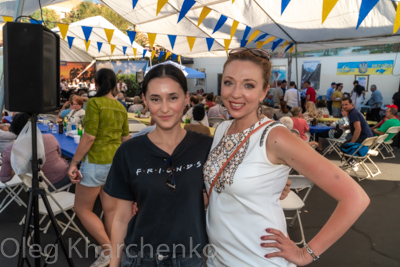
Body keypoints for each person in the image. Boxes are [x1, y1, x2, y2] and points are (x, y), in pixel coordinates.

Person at [203, 47, 369, 266]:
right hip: (218, 257)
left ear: (264, 92)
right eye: (228, 82)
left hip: (258, 259)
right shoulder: (222, 129)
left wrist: (306, 253)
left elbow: (355, 198)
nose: (235, 93)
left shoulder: (275, 136)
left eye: (249, 85)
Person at [105, 64, 214, 266]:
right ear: (145, 101)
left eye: (173, 97)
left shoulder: (206, 147)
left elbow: (229, 189)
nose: (164, 108)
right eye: (155, 99)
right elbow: (120, 217)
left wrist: (275, 186)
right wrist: (114, 263)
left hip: (189, 258)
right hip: (140, 258)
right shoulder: (129, 152)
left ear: (186, 98)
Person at [67, 68, 130, 267]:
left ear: (96, 83)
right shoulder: (121, 106)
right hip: (115, 164)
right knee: (110, 211)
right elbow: (125, 139)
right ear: (114, 84)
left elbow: (89, 137)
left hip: (95, 163)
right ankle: (114, 252)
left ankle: (107, 249)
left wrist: (74, 162)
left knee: (82, 208)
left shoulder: (95, 103)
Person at [0, 113, 71, 190]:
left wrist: (16, 168)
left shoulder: (10, 150)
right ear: (34, 124)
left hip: (37, 187)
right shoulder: (50, 137)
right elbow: (59, 154)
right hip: (63, 178)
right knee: (75, 164)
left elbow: (4, 179)